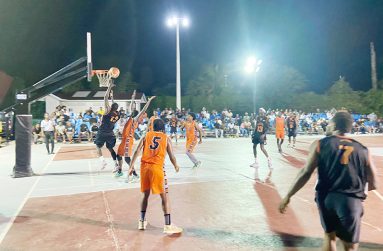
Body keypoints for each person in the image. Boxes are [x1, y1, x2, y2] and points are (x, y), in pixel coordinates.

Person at [279, 111, 378, 251]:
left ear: (334, 124)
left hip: (325, 199)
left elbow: (305, 172)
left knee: (329, 236)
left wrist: (288, 196)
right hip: (350, 200)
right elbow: (374, 183)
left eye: (329, 122)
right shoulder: (363, 149)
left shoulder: (319, 144)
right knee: (349, 246)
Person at [128, 118, 182, 234]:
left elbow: (137, 151)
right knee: (164, 197)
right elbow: (171, 155)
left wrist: (131, 166)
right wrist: (176, 165)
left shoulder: (146, 136)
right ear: (163, 128)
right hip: (157, 168)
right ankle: (168, 225)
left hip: (144, 168)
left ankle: (142, 222)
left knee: (145, 195)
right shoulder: (166, 138)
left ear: (152, 127)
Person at [115, 92, 156, 178]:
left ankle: (134, 174)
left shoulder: (135, 119)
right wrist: (132, 98)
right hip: (124, 140)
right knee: (118, 155)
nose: (131, 112)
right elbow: (131, 107)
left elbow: (143, 110)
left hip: (127, 140)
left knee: (126, 158)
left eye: (133, 112)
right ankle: (120, 171)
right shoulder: (131, 118)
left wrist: (149, 101)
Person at [94, 84, 121, 170]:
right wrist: (112, 97)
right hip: (110, 133)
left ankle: (103, 161)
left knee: (98, 147)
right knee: (110, 148)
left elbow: (105, 97)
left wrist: (109, 87)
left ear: (111, 107)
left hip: (102, 132)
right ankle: (116, 164)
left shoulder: (107, 111)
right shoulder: (118, 114)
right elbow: (114, 105)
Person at [250, 108, 272, 181]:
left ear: (264, 112)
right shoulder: (258, 117)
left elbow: (268, 128)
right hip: (257, 134)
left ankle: (269, 159)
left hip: (262, 135)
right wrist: (253, 133)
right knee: (254, 146)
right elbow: (256, 126)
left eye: (261, 111)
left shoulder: (266, 118)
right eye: (259, 111)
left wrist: (264, 135)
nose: (260, 112)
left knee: (262, 148)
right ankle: (256, 162)